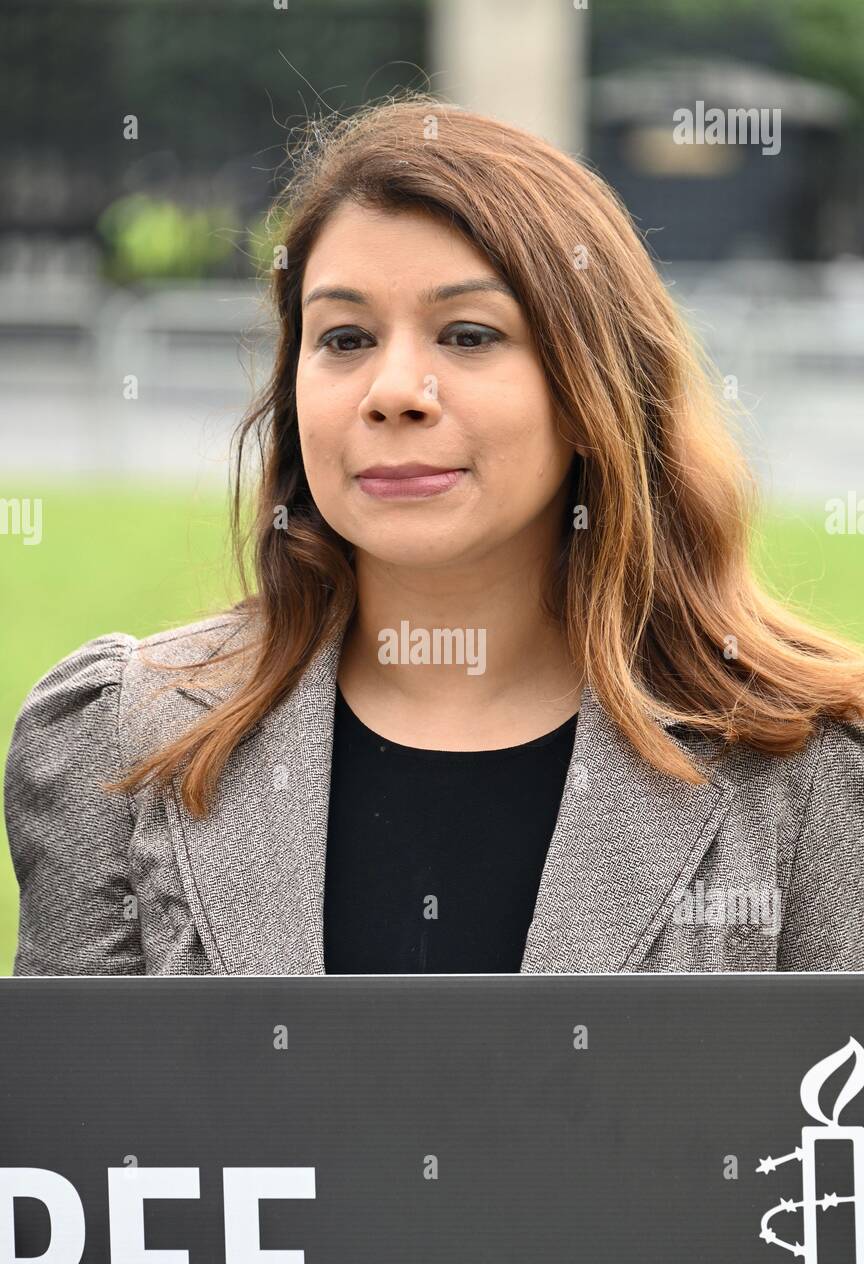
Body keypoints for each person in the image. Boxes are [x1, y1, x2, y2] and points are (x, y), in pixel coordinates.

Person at [5, 96, 864, 977]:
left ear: (591, 388)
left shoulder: (813, 769)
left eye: (467, 334)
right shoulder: (120, 743)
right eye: (344, 337)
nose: (394, 390)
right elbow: (81, 1113)